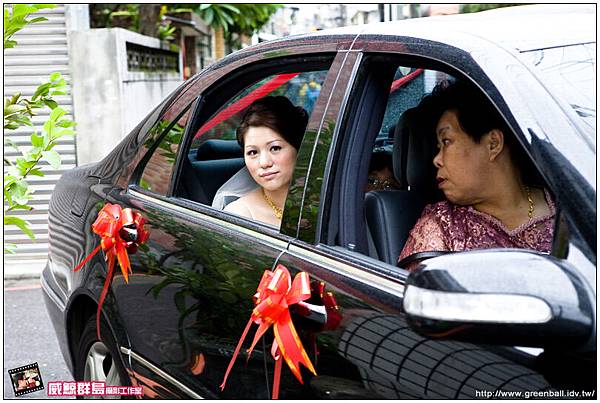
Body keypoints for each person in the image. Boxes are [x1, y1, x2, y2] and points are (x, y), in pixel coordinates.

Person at [398, 79, 555, 269]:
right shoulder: (441, 226)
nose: (436, 160)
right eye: (438, 147)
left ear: (493, 144)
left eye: (446, 141)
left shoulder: (569, 210)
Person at [224, 96, 308, 227]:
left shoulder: (335, 200)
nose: (264, 163)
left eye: (275, 148)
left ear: (298, 148)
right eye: (253, 152)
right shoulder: (240, 215)